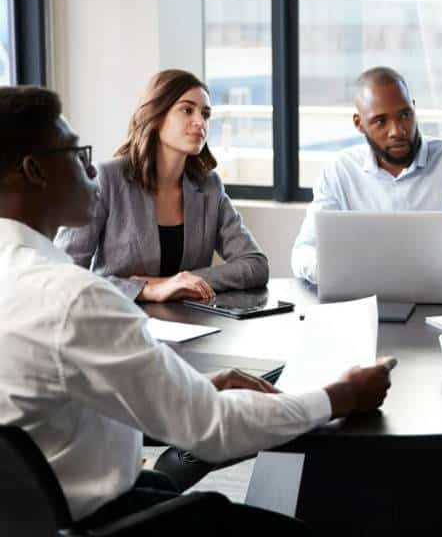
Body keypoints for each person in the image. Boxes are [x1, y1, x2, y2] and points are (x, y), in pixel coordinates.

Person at [0, 85, 394, 532]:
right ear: (34, 171)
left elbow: (58, 395)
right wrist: (341, 395)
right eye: (75, 152)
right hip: (108, 520)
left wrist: (194, 385)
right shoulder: (72, 297)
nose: (90, 166)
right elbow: (213, 428)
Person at [55, 69, 269, 302]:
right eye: (187, 110)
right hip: (119, 323)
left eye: (205, 114)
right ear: (156, 116)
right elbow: (64, 275)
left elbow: (255, 264)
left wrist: (181, 281)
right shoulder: (107, 178)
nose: (200, 122)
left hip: (194, 326)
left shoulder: (209, 186)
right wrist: (146, 289)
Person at [291, 66, 442, 283]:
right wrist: (342, 273)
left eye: (404, 115)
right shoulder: (339, 170)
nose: (397, 131)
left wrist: (357, 272)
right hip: (360, 304)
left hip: (439, 309)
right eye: (380, 121)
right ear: (359, 124)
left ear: (414, 109)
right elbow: (304, 252)